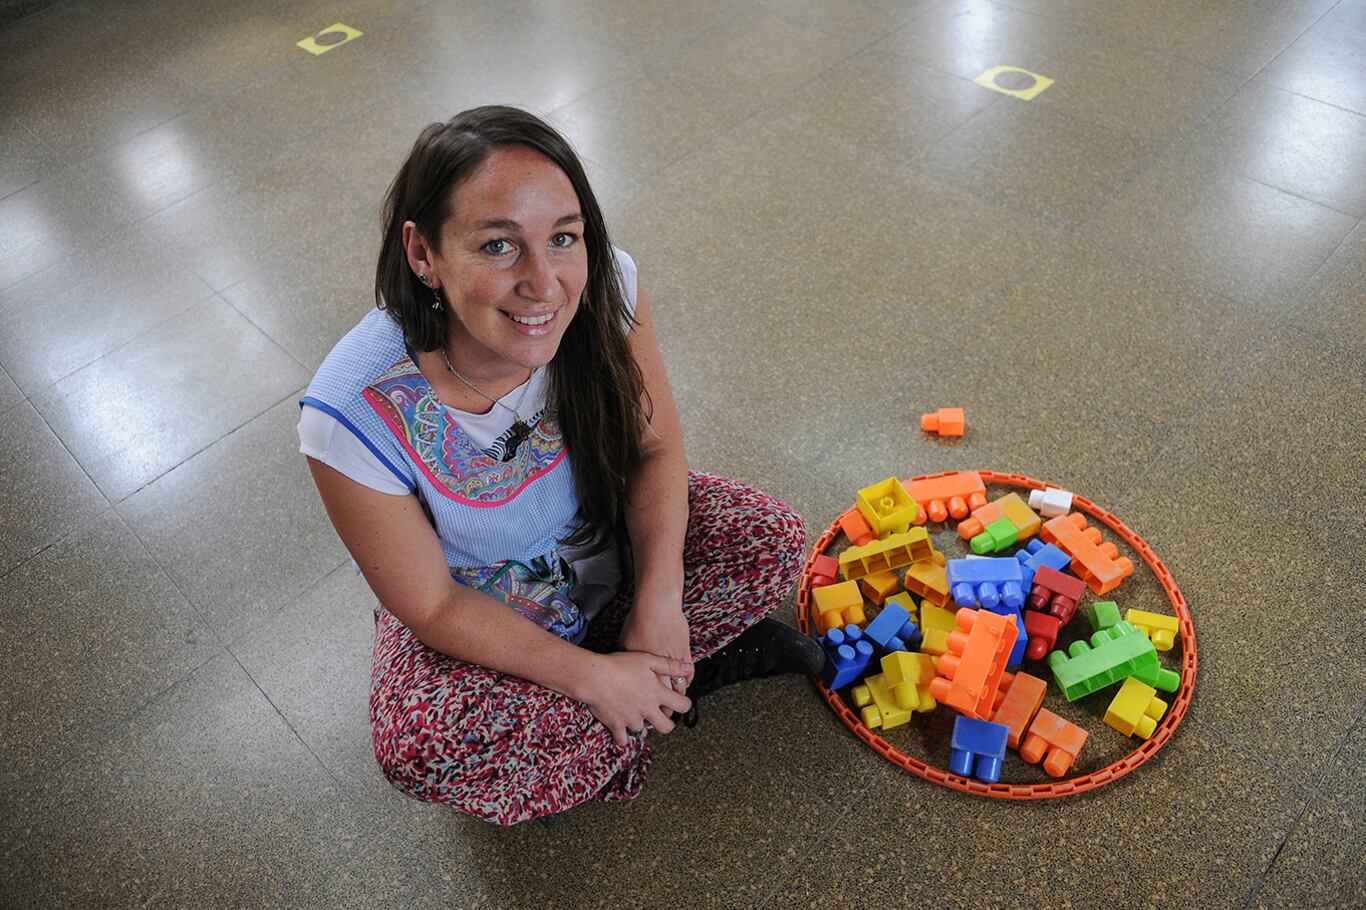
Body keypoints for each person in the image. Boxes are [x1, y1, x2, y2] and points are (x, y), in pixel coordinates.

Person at [297, 105, 823, 826]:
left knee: (771, 537)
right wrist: (591, 678)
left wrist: (659, 601)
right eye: (497, 247)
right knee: (419, 746)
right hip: (478, 604)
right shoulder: (350, 413)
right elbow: (433, 606)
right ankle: (658, 692)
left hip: (600, 540)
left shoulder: (607, 287)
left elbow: (655, 450)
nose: (545, 285)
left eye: (563, 238)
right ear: (423, 254)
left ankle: (638, 694)